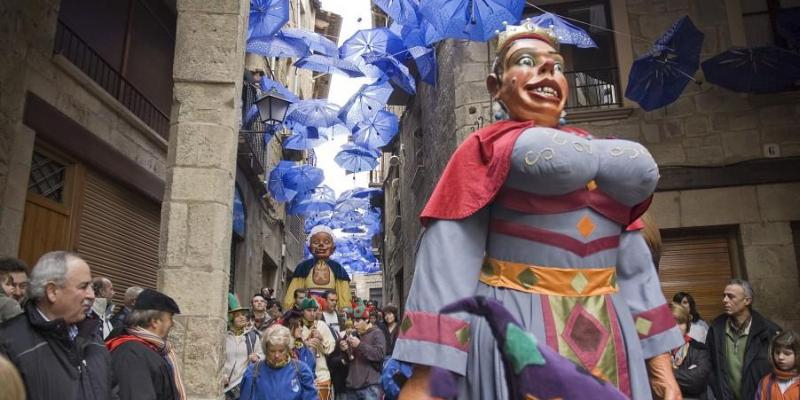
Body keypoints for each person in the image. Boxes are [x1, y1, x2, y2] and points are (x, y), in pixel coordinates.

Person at [393, 19, 684, 400]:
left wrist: (660, 366)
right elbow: (447, 264)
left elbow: (633, 266)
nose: (547, 70)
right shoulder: (481, 154)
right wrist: (427, 376)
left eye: (558, 65)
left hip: (611, 331)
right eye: (526, 60)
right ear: (495, 88)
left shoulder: (600, 157)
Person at [0, 251, 112, 400]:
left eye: (91, 287)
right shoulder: (8, 343)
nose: (91, 295)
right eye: (83, 286)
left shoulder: (93, 339)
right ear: (52, 291)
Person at [707, 279, 781, 400]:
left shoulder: (770, 331)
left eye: (731, 297)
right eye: (724, 296)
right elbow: (709, 364)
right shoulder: (716, 328)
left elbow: (780, 369)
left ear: (747, 300)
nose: (724, 300)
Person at [106, 288, 186, 400]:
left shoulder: (149, 350)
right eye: (170, 318)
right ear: (155, 321)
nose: (172, 324)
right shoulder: (132, 354)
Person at [240, 324, 319, 400]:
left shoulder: (301, 370)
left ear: (288, 349)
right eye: (272, 351)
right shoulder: (253, 371)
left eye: (281, 351)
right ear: (266, 350)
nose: (277, 355)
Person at [283, 226, 352, 311]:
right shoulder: (303, 267)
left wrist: (344, 310)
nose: (321, 245)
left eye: (326, 242)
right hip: (308, 310)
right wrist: (291, 310)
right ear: (309, 248)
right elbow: (294, 292)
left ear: (333, 249)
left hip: (330, 311)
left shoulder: (338, 269)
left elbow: (343, 294)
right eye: (316, 242)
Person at [339, 306, 385, 400]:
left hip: (369, 387)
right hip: (352, 387)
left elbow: (379, 355)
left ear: (367, 320)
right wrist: (344, 350)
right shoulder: (353, 334)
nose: (354, 324)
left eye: (358, 321)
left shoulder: (377, 333)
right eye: (354, 321)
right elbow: (346, 360)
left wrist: (359, 345)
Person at [224, 294, 264, 399]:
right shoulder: (224, 337)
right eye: (237, 315)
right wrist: (221, 376)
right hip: (225, 384)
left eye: (243, 314)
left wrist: (257, 357)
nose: (242, 317)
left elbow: (262, 355)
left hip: (243, 383)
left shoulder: (252, 336)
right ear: (231, 319)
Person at [669, 303, 711, 399]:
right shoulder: (656, 351)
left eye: (680, 322)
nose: (676, 327)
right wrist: (685, 373)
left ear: (687, 325)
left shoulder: (699, 349)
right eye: (671, 323)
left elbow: (696, 381)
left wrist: (665, 372)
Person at [299, 297, 336, 400]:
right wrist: (305, 344)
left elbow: (331, 349)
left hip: (321, 375)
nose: (312, 313)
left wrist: (321, 339)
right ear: (302, 311)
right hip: (301, 375)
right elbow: (291, 348)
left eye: (314, 310)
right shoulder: (297, 326)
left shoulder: (322, 325)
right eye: (308, 310)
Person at [755, 330, 799, 400]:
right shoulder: (766, 382)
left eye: (787, 353)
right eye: (777, 352)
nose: (780, 357)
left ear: (797, 355)